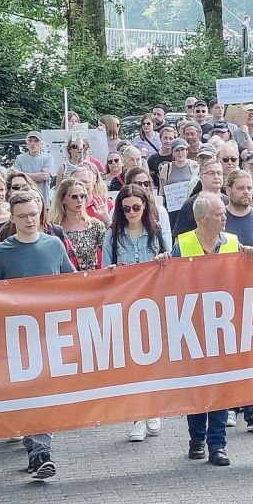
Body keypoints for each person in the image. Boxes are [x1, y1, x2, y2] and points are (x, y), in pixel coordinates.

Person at [0, 191, 75, 480]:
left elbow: (74, 283)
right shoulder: (3, 252)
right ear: (12, 218)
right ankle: (38, 448)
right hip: (16, 335)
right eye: (22, 216)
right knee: (27, 391)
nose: (29, 220)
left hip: (48, 332)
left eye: (33, 214)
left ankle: (40, 451)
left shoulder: (54, 245)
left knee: (41, 392)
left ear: (41, 213)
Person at [171, 191, 253, 467]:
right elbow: (169, 284)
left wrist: (250, 259)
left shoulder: (233, 243)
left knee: (222, 388)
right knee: (197, 387)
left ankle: (217, 444)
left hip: (224, 327)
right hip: (193, 327)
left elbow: (249, 278)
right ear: (201, 218)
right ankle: (196, 438)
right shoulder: (182, 245)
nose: (225, 217)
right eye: (219, 214)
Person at [101, 184, 169, 441]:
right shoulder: (113, 236)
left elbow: (171, 264)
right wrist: (115, 271)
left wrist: (163, 260)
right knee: (133, 362)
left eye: (136, 207)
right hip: (126, 304)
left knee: (151, 359)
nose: (131, 212)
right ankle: (139, 415)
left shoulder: (157, 232)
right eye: (126, 208)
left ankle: (153, 409)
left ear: (145, 207)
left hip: (153, 302)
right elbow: (105, 270)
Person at [49, 179, 106, 271]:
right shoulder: (53, 229)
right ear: (63, 199)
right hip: (65, 281)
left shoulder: (95, 225)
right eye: (74, 197)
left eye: (82, 196)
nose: (79, 200)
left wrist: (106, 218)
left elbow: (110, 250)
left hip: (90, 280)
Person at [173, 160, 227, 239]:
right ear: (201, 177)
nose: (216, 176)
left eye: (219, 173)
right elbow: (180, 237)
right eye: (211, 173)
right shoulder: (191, 204)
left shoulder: (229, 202)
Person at [12, 131, 55, 206]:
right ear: (26, 144)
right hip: (23, 199)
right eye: (30, 140)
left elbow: (45, 176)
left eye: (36, 141)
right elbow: (17, 177)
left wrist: (23, 175)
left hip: (43, 200)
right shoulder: (20, 158)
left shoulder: (48, 158)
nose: (32, 143)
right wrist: (38, 175)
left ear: (41, 144)